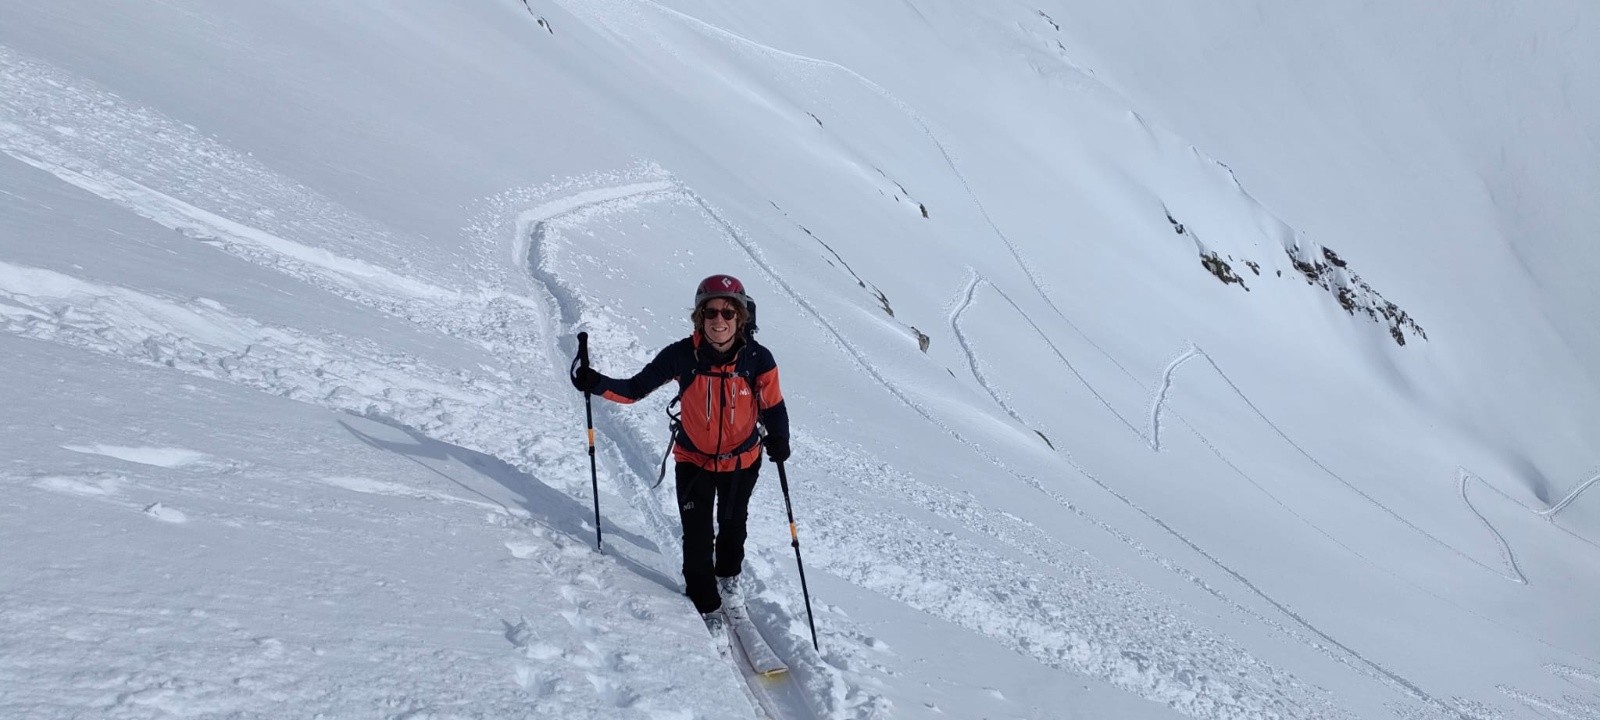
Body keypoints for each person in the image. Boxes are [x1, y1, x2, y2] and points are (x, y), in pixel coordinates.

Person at [570, 274, 791, 633]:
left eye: (728, 312)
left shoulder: (757, 359)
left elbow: (773, 405)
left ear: (741, 318)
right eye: (711, 312)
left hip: (742, 461)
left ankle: (729, 579)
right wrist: (598, 384)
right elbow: (634, 389)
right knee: (698, 535)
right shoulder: (682, 355)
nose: (719, 320)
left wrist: (779, 438)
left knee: (734, 528)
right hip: (694, 462)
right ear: (699, 317)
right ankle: (706, 602)